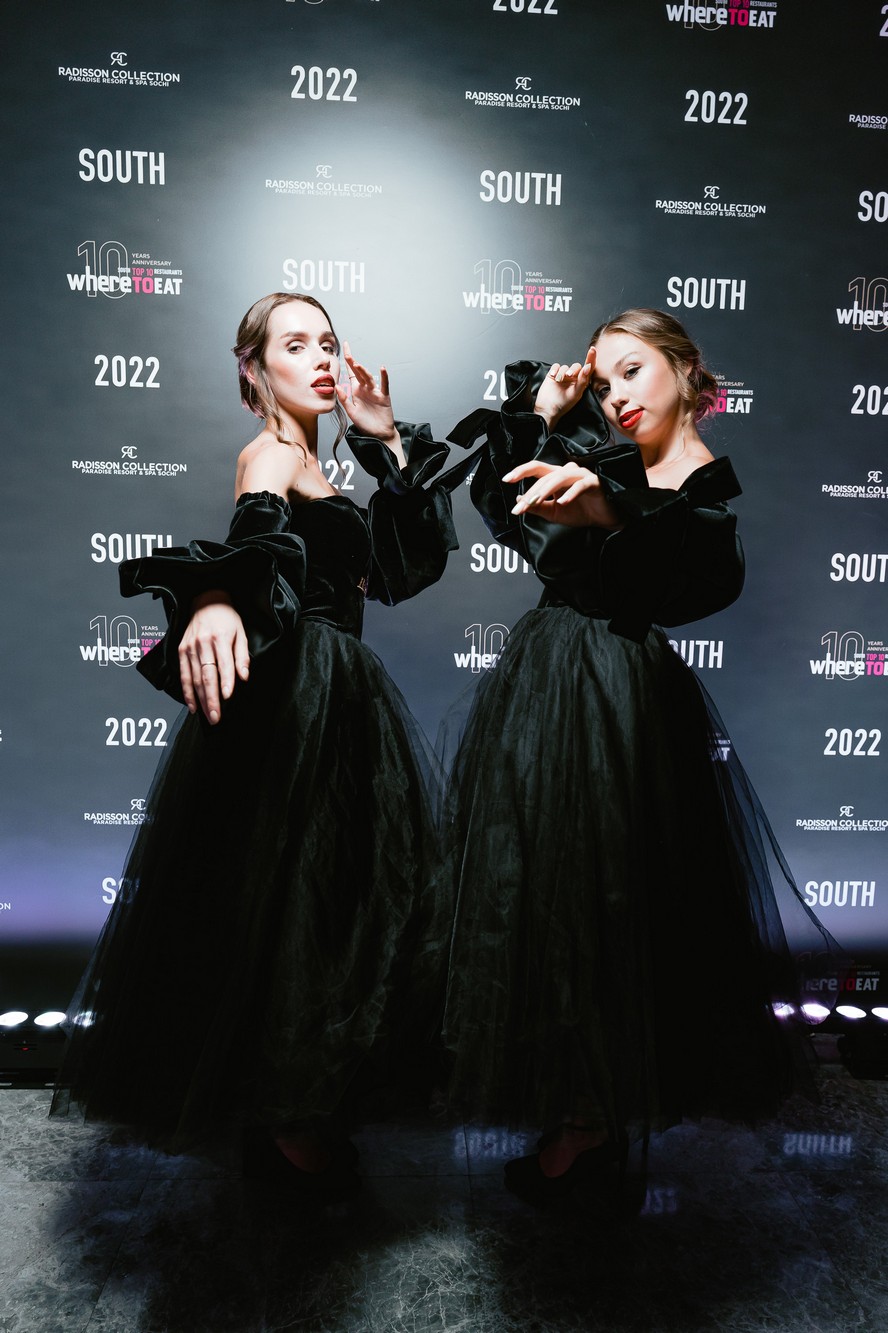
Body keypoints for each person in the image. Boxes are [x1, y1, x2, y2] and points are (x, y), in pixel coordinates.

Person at [52, 292, 463, 1193]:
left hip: (338, 697)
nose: (320, 358)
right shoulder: (271, 452)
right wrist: (212, 598)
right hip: (301, 701)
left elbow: (398, 572)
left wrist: (385, 442)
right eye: (295, 344)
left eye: (329, 342)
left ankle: (297, 1117)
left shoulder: (319, 463)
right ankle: (288, 1131)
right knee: (302, 910)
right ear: (255, 369)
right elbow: (255, 529)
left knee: (324, 909)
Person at [441, 309, 838, 1204]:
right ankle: (581, 1115)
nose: (617, 394)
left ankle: (590, 1129)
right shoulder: (601, 453)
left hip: (613, 697)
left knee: (610, 901)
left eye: (634, 369)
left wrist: (608, 505)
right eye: (605, 378)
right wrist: (544, 416)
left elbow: (697, 567)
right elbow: (506, 512)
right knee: (553, 901)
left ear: (686, 370)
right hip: (545, 682)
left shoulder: (697, 488)